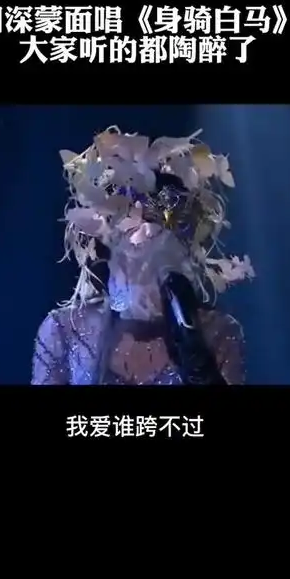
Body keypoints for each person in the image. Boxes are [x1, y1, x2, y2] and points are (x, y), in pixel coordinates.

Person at [32, 126, 255, 385]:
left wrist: (197, 357)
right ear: (109, 246)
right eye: (134, 245)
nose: (145, 263)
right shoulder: (65, 330)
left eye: (159, 243)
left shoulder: (215, 333)